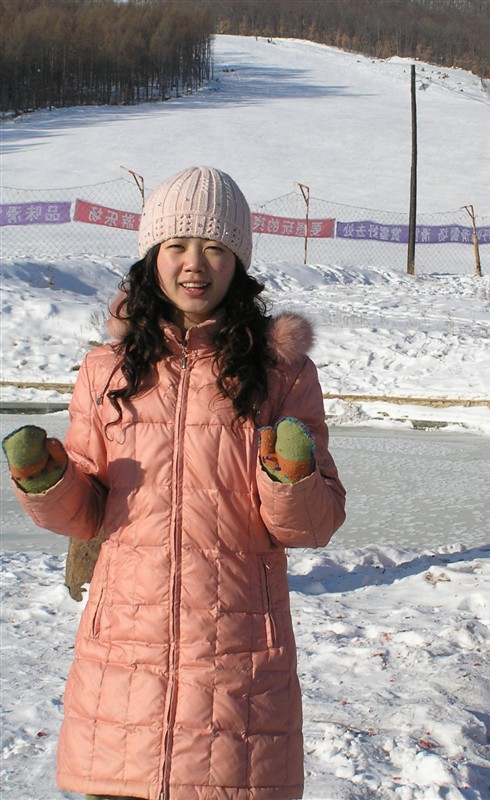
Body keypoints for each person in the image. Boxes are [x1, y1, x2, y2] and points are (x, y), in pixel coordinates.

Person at [2, 166, 346, 800]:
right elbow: (86, 516)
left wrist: (290, 475)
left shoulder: (281, 375)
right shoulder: (104, 370)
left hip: (237, 657)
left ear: (238, 260)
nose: (195, 264)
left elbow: (314, 525)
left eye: (215, 246)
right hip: (125, 657)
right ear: (151, 256)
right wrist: (47, 481)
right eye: (177, 245)